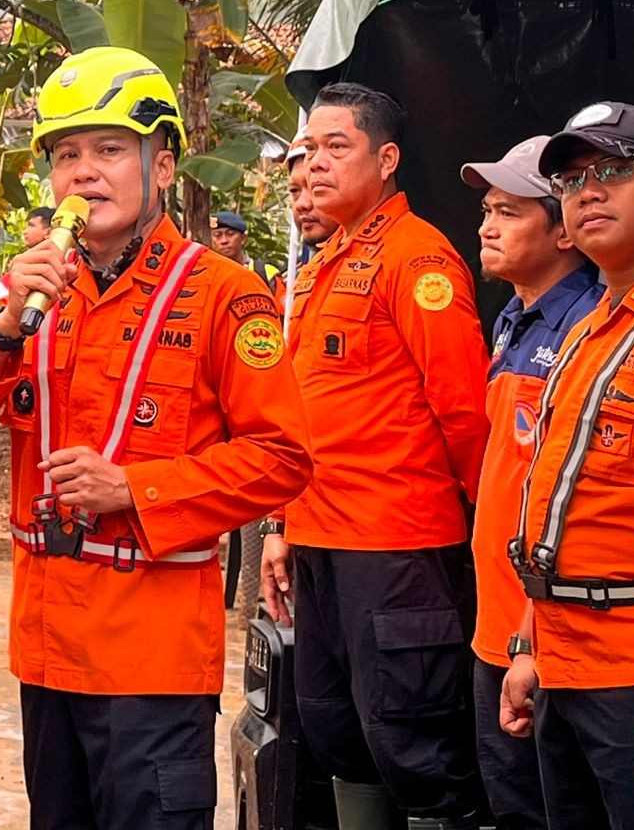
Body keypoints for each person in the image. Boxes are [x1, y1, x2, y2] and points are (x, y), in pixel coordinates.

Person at [0, 46, 313, 830]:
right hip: (46, 656)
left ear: (161, 167)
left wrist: (133, 487)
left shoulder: (223, 296)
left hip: (153, 665)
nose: (84, 174)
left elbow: (282, 459)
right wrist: (1, 324)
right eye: (68, 155)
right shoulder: (26, 288)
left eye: (109, 151)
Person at [262, 81, 490, 830]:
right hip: (322, 543)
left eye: (337, 147)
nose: (315, 165)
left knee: (413, 741)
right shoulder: (325, 262)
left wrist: (482, 535)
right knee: (338, 735)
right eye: (308, 150)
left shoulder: (416, 259)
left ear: (386, 159)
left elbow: (463, 412)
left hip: (396, 549)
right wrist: (281, 527)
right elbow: (305, 418)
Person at [500, 102, 634, 830]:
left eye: (616, 171)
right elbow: (560, 503)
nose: (587, 192)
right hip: (561, 662)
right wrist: (529, 643)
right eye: (570, 180)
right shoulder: (588, 324)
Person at [459, 137, 603, 830]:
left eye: (510, 212)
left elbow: (572, 499)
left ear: (565, 230)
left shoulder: (585, 325)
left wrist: (532, 637)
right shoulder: (514, 317)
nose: (486, 226)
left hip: (542, 633)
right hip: (497, 623)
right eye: (487, 209)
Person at [211, 210, 282, 291]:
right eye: (217, 235)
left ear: (243, 238)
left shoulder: (267, 273)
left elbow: (282, 303)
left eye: (230, 234)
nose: (224, 240)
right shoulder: (206, 276)